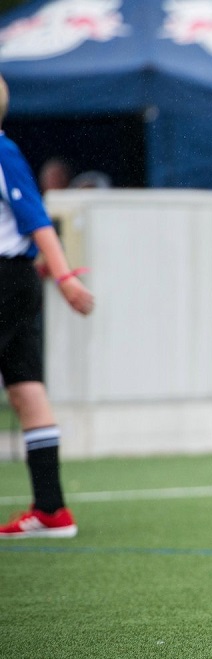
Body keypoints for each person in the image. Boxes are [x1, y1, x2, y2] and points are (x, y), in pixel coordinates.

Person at [0, 75, 94, 539]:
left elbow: (38, 224)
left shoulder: (2, 151)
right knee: (25, 387)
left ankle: (51, 508)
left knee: (27, 387)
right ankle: (51, 508)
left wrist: (65, 279)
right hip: (14, 277)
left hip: (5, 278)